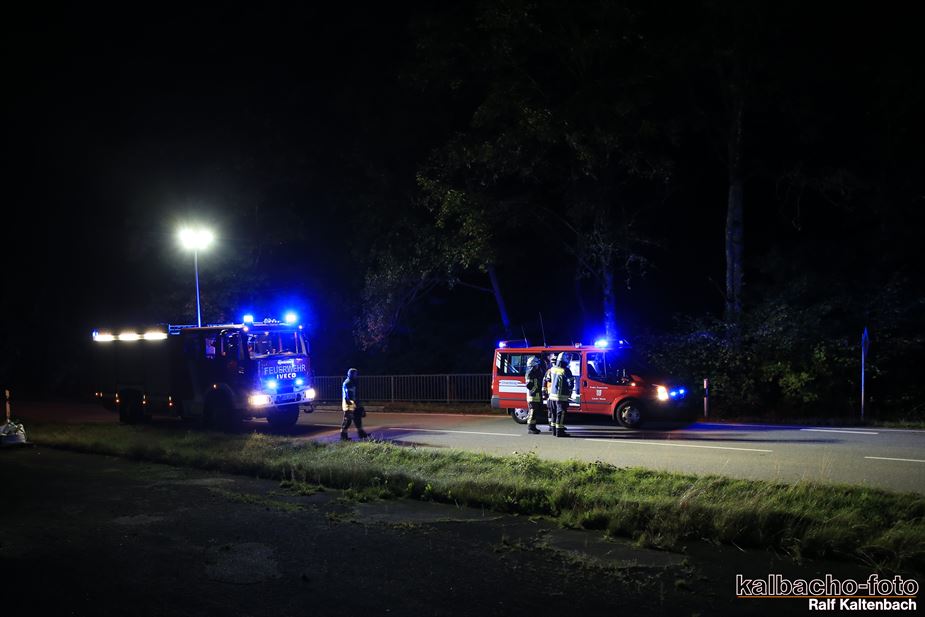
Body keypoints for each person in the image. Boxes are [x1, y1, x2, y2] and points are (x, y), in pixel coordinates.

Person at [543, 352, 574, 437]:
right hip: (561, 397)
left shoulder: (552, 369)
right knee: (560, 414)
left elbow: (548, 379)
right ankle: (559, 432)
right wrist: (569, 391)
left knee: (553, 414)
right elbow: (571, 383)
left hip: (552, 396)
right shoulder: (566, 370)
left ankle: (554, 431)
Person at [341, 368, 369, 441]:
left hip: (352, 403)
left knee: (357, 418)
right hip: (349, 404)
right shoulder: (348, 382)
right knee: (347, 421)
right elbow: (349, 395)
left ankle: (361, 434)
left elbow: (354, 394)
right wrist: (356, 404)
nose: (356, 375)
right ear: (350, 374)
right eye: (355, 374)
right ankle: (343, 436)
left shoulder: (352, 382)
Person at [523, 356, 545, 435]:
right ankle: (530, 428)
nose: (537, 366)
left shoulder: (535, 371)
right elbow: (528, 385)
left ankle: (533, 427)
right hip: (532, 396)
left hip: (535, 395)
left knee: (534, 412)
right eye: (537, 364)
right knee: (532, 411)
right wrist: (535, 390)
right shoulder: (530, 372)